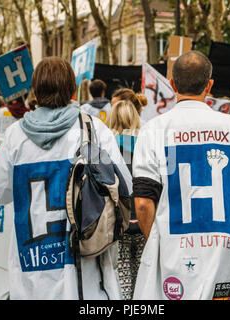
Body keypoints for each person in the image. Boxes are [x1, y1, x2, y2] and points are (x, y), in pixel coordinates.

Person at [0, 56, 132, 300]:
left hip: (30, 274)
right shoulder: (91, 130)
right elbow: (125, 186)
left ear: (35, 90)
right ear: (71, 89)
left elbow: (0, 193)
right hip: (84, 278)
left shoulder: (14, 137)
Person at [132, 50, 230, 300]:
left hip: (173, 258)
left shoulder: (153, 130)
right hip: (228, 256)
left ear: (172, 85)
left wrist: (159, 244)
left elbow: (142, 203)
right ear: (210, 85)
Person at [106, 100, 145, 300]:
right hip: (145, 220)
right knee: (144, 278)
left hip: (118, 221)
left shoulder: (106, 147)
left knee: (122, 278)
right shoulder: (146, 145)